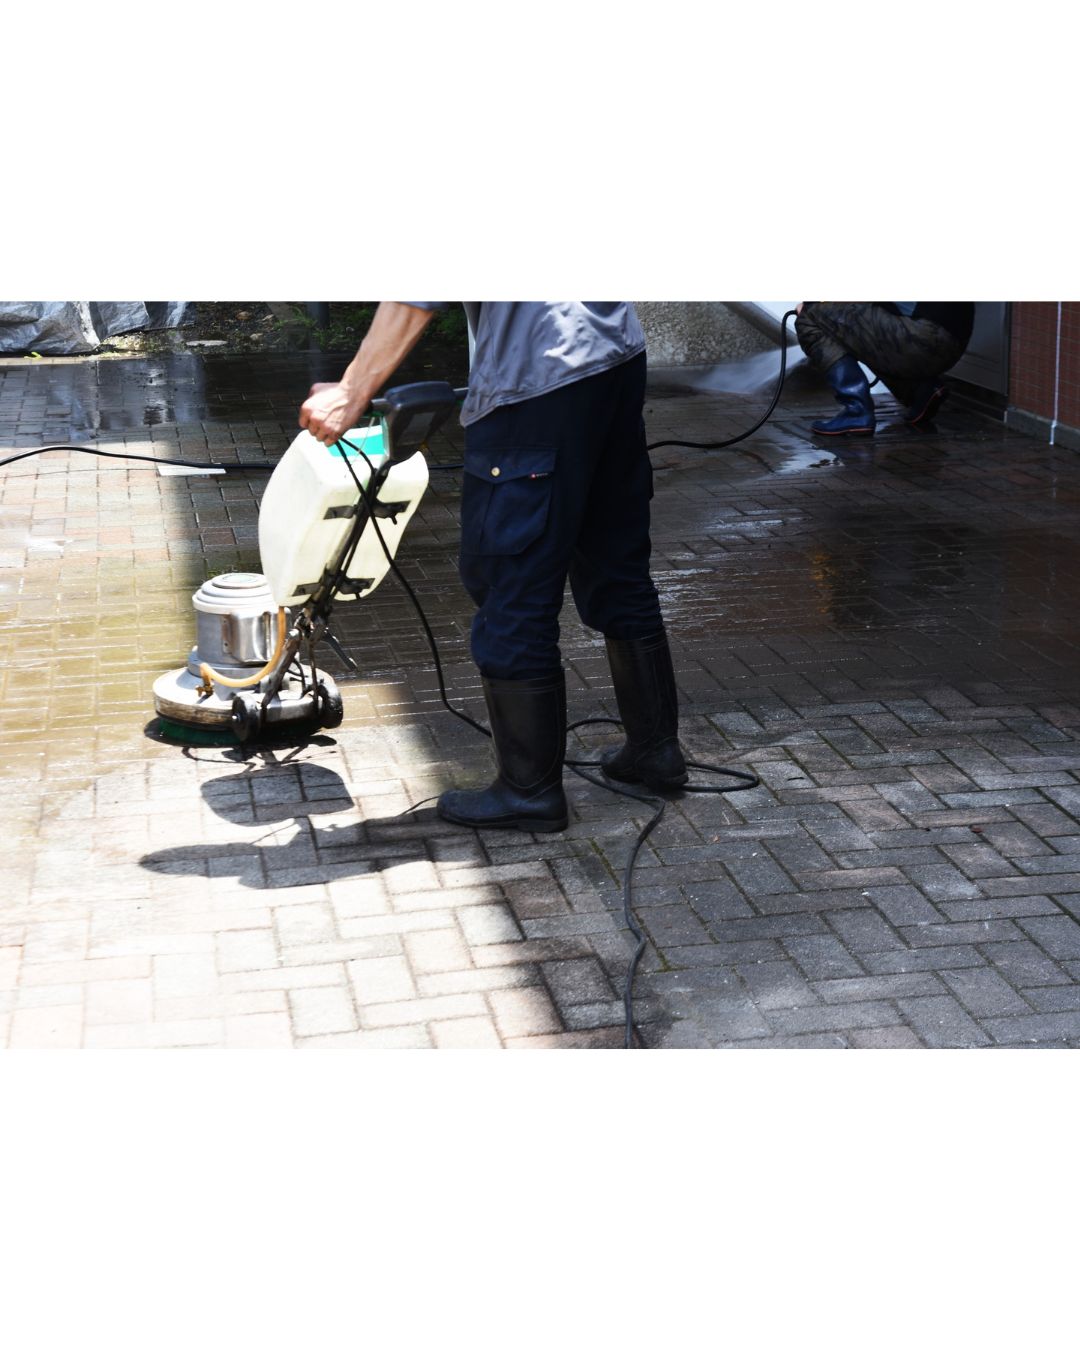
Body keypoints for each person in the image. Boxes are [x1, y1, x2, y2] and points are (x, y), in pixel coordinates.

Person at [299, 301, 687, 834]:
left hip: (536, 381)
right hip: (613, 356)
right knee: (617, 563)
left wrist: (351, 390)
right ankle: (656, 750)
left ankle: (529, 791)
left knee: (513, 582)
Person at [794, 302, 976, 436]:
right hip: (952, 345)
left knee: (809, 316)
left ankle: (856, 411)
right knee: (860, 327)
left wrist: (812, 303)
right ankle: (919, 390)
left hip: (921, 337)